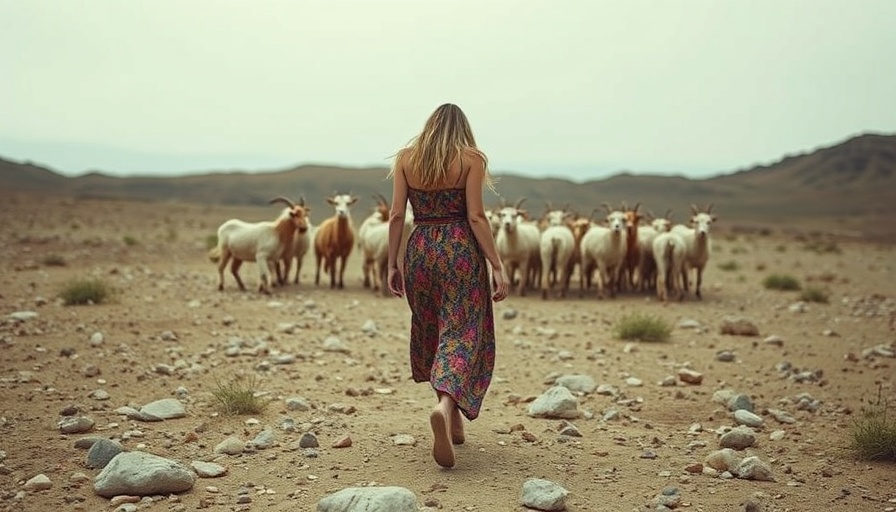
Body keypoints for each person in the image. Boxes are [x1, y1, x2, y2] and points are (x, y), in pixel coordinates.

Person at [386, 103, 509, 468]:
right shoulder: (472, 159)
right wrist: (497, 263)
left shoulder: (406, 158)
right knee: (463, 331)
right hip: (459, 250)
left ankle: (452, 419)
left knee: (435, 329)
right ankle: (444, 405)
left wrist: (393, 262)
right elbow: (475, 215)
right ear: (463, 128)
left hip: (420, 247)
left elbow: (395, 215)